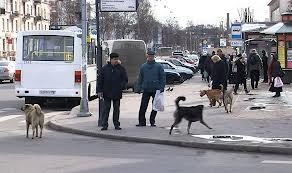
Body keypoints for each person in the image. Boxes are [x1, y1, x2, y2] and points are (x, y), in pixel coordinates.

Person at [97, 53, 128, 131]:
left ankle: (116, 124)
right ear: (110, 60)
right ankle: (104, 124)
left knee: (116, 109)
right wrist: (99, 90)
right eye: (114, 59)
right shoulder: (105, 69)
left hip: (117, 92)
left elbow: (125, 79)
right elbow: (100, 80)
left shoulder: (121, 68)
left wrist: (122, 86)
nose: (116, 61)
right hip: (107, 92)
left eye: (117, 59)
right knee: (106, 109)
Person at [136, 50, 166, 127]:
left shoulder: (158, 66)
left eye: (152, 56)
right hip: (146, 89)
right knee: (143, 106)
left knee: (155, 107)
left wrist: (161, 87)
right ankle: (142, 122)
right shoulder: (143, 66)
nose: (150, 57)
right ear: (147, 56)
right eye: (149, 56)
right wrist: (138, 88)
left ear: (153, 57)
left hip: (156, 89)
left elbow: (162, 78)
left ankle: (152, 121)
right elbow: (140, 78)